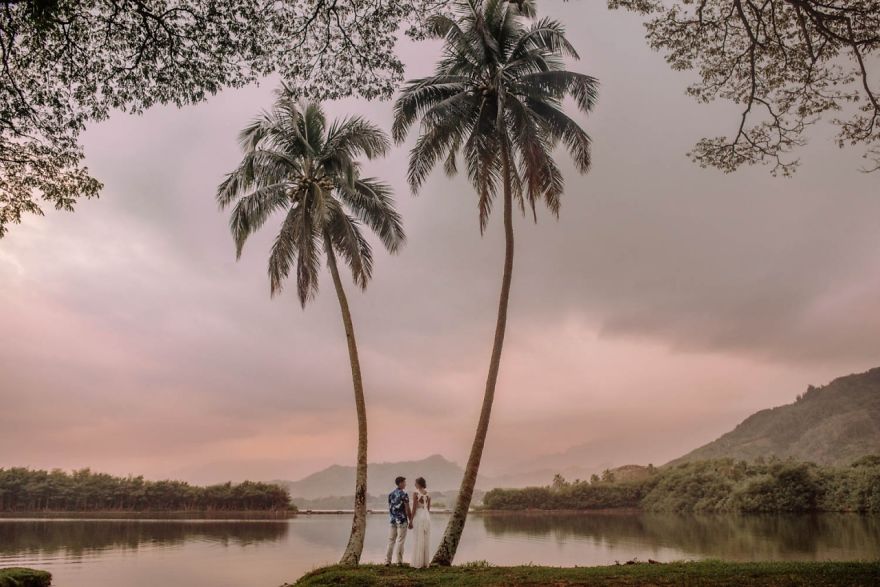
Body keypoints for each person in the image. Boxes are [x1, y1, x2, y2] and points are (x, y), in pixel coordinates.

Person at [386, 475, 412, 565]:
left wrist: (392, 517)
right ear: (400, 483)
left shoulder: (391, 494)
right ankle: (399, 562)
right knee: (400, 541)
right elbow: (407, 509)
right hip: (402, 520)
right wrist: (411, 520)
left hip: (393, 520)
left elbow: (390, 508)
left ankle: (387, 561)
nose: (405, 484)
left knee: (391, 541)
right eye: (404, 482)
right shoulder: (404, 494)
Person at [410, 476, 431, 568]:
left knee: (418, 538)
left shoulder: (416, 493)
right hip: (426, 516)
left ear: (418, 484)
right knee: (425, 538)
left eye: (415, 483)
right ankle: (425, 563)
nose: (414, 484)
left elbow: (414, 508)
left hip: (419, 516)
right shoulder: (428, 494)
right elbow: (428, 508)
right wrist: (426, 514)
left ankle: (417, 562)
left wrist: (410, 520)